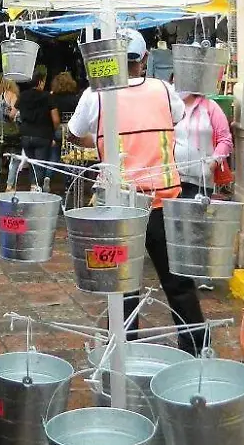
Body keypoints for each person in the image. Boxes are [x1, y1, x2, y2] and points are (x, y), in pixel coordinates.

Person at [67, 29, 205, 354]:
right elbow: (177, 117)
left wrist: (99, 139)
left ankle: (123, 352)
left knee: (121, 286)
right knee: (178, 283)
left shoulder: (95, 94)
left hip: (118, 209)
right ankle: (198, 350)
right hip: (163, 201)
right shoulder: (162, 89)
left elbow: (75, 133)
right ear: (143, 60)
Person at [172, 89, 234, 199]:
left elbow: (225, 140)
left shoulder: (210, 107)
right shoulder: (171, 106)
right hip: (174, 181)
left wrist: (214, 162)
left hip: (201, 182)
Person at [16, 70, 60, 192]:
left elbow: (12, 114)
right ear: (40, 82)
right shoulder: (48, 97)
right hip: (43, 135)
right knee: (40, 165)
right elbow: (56, 120)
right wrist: (53, 132)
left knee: (32, 165)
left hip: (25, 134)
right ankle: (35, 188)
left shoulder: (23, 95)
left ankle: (33, 187)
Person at [49, 71, 83, 187]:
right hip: (71, 130)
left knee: (54, 156)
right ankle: (69, 182)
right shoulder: (76, 99)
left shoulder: (52, 98)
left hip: (57, 129)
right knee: (70, 156)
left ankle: (48, 176)